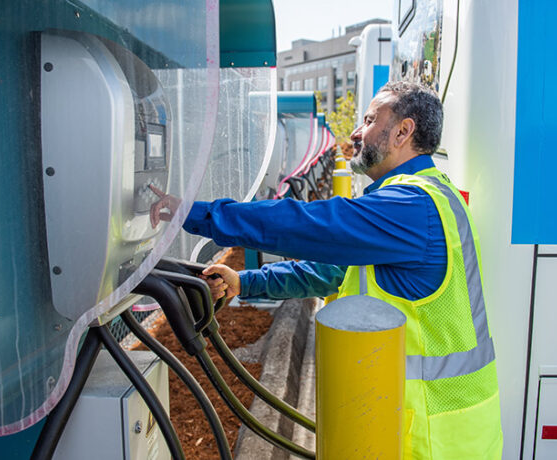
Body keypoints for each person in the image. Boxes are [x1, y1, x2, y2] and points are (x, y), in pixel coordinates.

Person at [154, 81, 503, 459]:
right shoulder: (431, 195)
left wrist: (197, 214)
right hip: (441, 429)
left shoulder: (411, 206)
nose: (356, 132)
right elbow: (334, 271)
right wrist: (245, 282)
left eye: (370, 120)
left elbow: (307, 225)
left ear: (404, 131)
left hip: (430, 441)